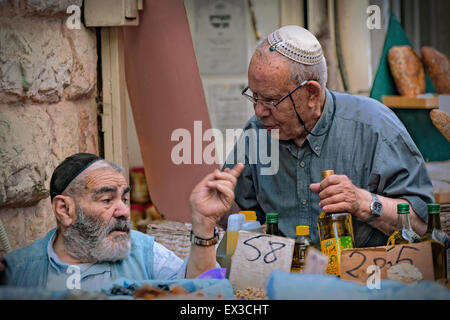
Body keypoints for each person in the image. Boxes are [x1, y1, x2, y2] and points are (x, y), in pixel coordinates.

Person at [222, 25, 435, 247]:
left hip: (364, 276)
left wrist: (363, 203)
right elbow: (241, 215)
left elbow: (424, 226)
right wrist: (220, 209)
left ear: (311, 93)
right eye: (254, 97)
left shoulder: (375, 127)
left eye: (270, 100)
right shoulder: (257, 131)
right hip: (283, 277)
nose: (258, 111)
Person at [1, 153, 244, 290]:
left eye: (125, 198)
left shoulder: (144, 252)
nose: (123, 211)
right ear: (65, 209)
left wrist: (203, 223)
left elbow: (200, 292)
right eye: (107, 200)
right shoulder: (19, 272)